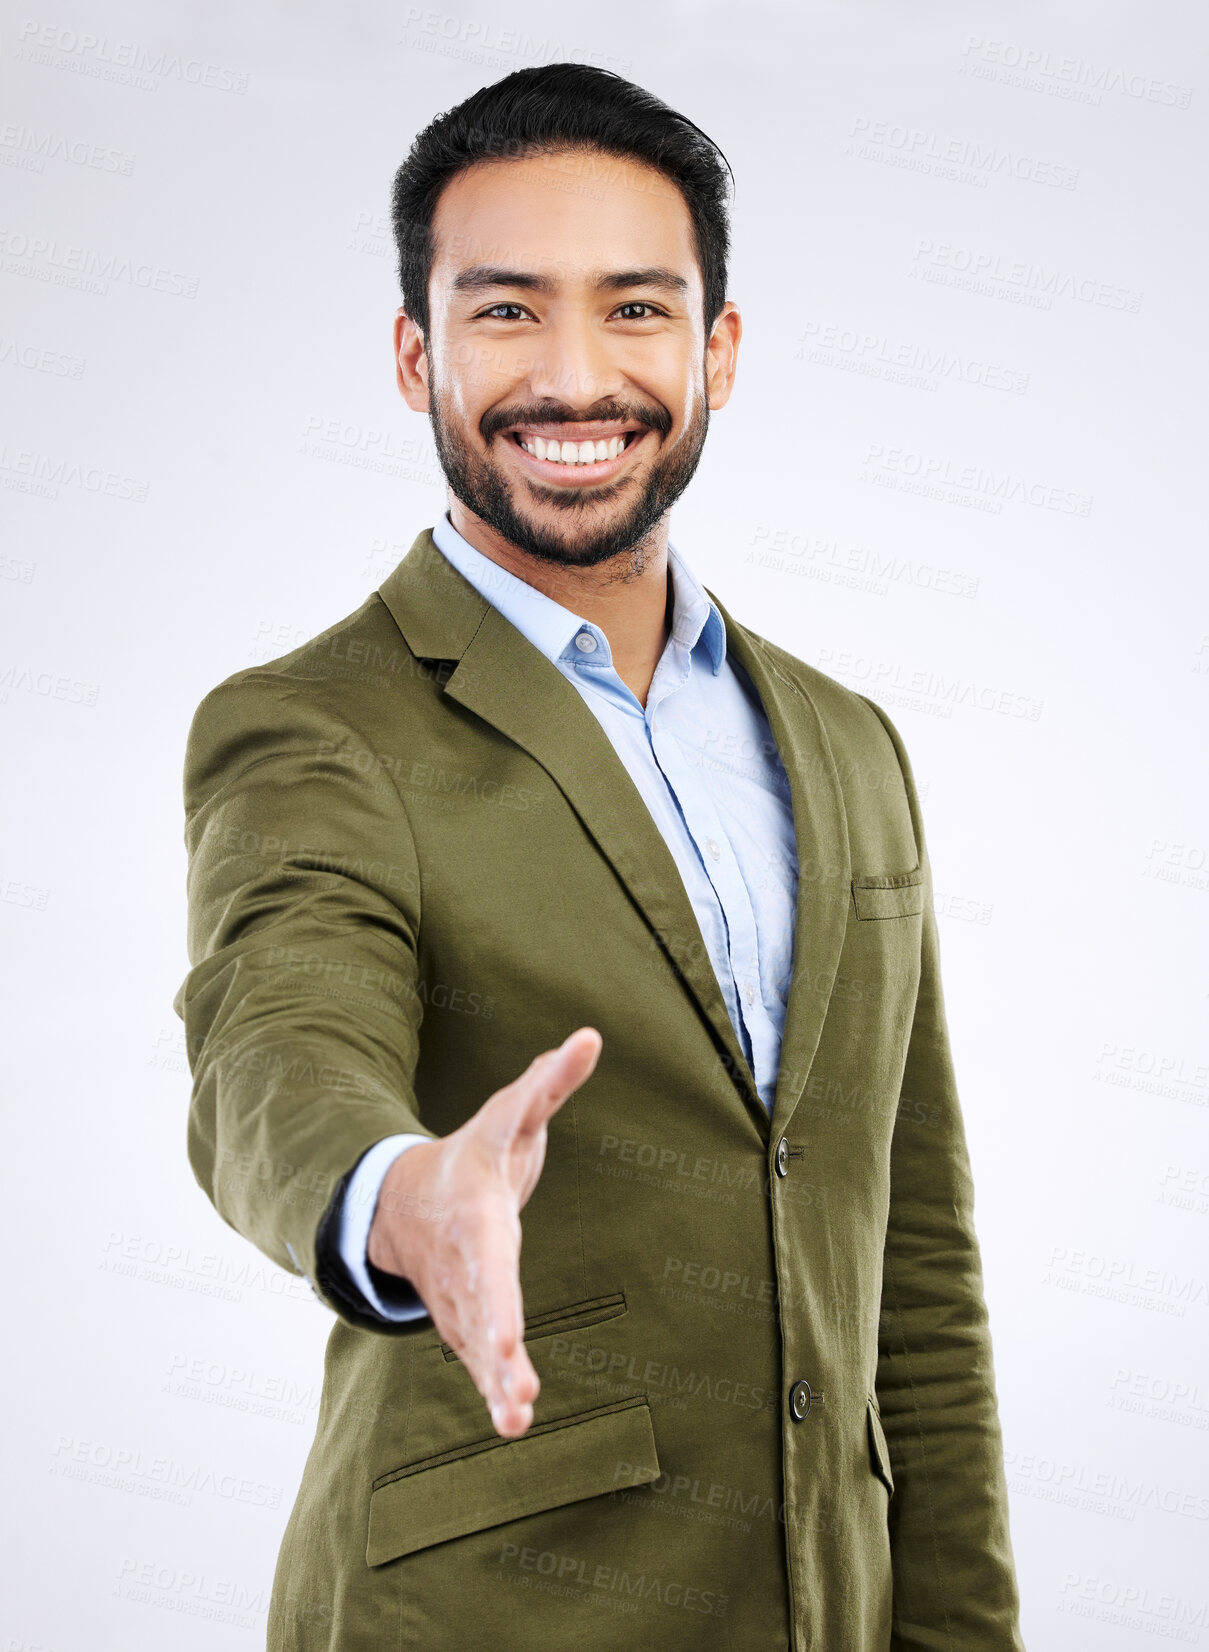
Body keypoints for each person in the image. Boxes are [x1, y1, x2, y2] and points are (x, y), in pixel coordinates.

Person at [175, 61, 1026, 1652]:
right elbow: (273, 1035)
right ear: (415, 353)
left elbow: (910, 1259)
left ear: (716, 349)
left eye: (634, 310)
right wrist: (400, 1194)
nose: (575, 377)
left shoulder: (847, 745)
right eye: (506, 313)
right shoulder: (311, 728)